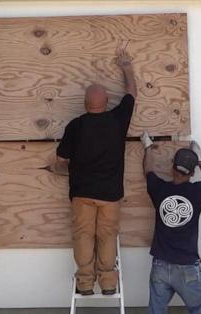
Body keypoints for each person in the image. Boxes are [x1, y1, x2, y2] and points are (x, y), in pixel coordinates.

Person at [55, 48, 137, 296]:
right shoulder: (118, 120)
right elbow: (132, 93)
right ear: (106, 103)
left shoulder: (75, 126)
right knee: (107, 236)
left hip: (82, 193)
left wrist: (68, 167)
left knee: (83, 236)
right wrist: (126, 67)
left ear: (85, 104)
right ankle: (109, 283)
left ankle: (85, 283)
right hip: (110, 194)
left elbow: (61, 160)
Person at [140, 132, 201, 314]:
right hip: (187, 265)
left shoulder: (159, 189)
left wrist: (147, 148)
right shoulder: (197, 192)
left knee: (156, 309)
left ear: (172, 167)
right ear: (192, 172)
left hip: (161, 264)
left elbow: (147, 171)